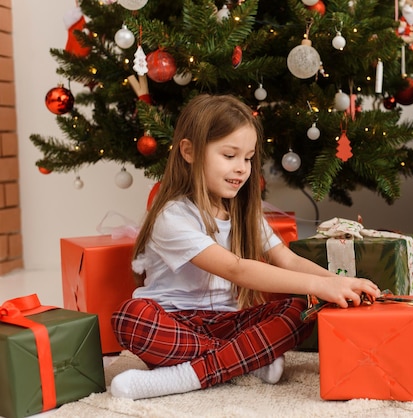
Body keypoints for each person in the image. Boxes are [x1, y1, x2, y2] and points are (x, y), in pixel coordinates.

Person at [110, 94, 380, 400]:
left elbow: (287, 261)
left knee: (303, 308)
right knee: (130, 318)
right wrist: (319, 284)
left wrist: (338, 283)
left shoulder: (244, 212)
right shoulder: (172, 216)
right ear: (189, 151)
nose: (241, 168)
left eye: (248, 158)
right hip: (173, 321)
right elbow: (235, 269)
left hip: (227, 323)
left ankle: (192, 372)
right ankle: (243, 362)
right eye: (229, 155)